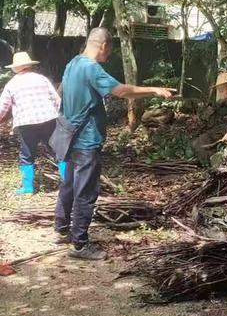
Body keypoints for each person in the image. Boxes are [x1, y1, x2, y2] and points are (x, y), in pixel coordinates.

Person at [54, 28, 176, 260]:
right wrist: (154, 90)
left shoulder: (73, 64)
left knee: (68, 183)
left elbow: (61, 91)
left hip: (69, 136)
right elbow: (121, 91)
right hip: (86, 140)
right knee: (85, 191)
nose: (108, 55)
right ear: (104, 46)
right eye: (109, 50)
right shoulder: (91, 68)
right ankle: (79, 245)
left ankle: (61, 229)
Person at [0, 51, 65, 194]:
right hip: (48, 119)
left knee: (27, 154)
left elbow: (3, 107)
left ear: (15, 68)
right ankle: (67, 183)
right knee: (56, 151)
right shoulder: (41, 79)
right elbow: (57, 100)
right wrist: (57, 116)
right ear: (29, 66)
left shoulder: (12, 84)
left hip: (26, 123)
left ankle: (27, 188)